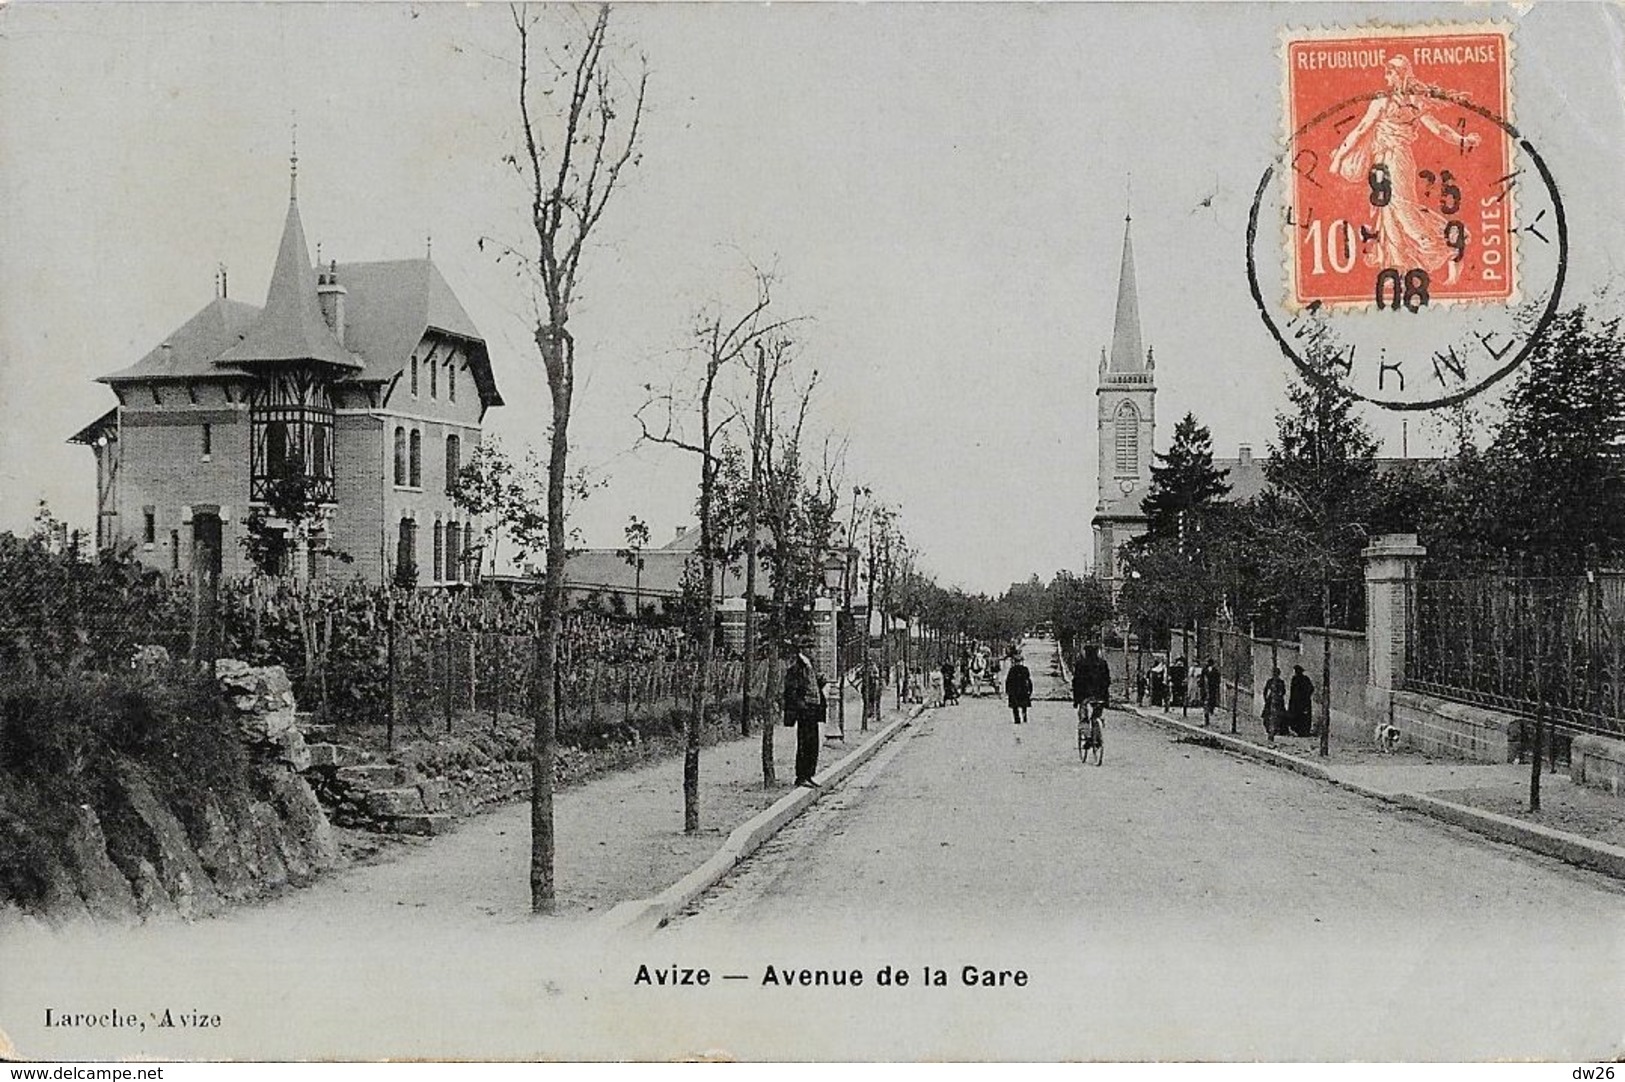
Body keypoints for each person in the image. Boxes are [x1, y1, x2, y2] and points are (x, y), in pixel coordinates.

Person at [1328, 55, 1483, 287]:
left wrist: (1463, 139)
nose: (1386, 77)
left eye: (1390, 73)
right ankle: (1397, 267)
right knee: (1387, 212)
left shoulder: (1404, 103)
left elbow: (1438, 129)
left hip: (1398, 160)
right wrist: (1339, 156)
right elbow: (1361, 130)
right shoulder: (1396, 102)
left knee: (1403, 209)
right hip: (1381, 161)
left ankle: (1443, 245)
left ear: (1400, 75)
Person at [783, 639, 826, 788]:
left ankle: (808, 774)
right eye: (810, 647)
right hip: (805, 710)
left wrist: (820, 683)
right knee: (805, 743)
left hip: (812, 709)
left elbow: (809, 684)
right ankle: (802, 775)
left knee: (812, 743)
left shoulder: (809, 665)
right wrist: (802, 706)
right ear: (803, 649)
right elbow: (792, 690)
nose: (813, 650)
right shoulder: (798, 666)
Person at [1072, 644, 1111, 709]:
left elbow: (1076, 681)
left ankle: (1085, 718)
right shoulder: (1102, 663)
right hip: (1099, 693)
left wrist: (1076, 700)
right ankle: (1096, 716)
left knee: (1083, 706)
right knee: (1098, 706)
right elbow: (1106, 680)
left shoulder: (1081, 663)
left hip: (1084, 693)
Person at [1005, 651, 1033, 725]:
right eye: (1017, 662)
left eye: (1019, 661)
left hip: (1019, 689)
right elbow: (1008, 680)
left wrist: (1030, 689)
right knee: (1017, 705)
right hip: (1019, 689)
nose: (1018, 663)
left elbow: (1028, 680)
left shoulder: (1021, 669)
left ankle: (1022, 717)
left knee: (1021, 705)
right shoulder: (1016, 669)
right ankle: (1018, 718)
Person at [1287, 664, 1314, 738]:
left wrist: (1306, 696)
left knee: (1303, 717)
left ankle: (1303, 731)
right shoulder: (1295, 679)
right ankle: (1299, 731)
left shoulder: (1305, 679)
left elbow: (1311, 688)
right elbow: (1292, 691)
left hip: (1302, 701)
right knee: (1298, 716)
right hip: (1298, 701)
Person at [1262, 666, 1287, 742]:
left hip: (1277, 700)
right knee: (1267, 714)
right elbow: (1265, 691)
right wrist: (1266, 699)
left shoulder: (1280, 682)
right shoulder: (1270, 681)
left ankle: (1277, 729)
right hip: (1272, 699)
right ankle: (1269, 729)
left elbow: (1283, 691)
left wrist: (1279, 696)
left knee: (1280, 715)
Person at [1201, 658, 1222, 727]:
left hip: (1212, 687)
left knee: (1212, 698)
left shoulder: (1215, 671)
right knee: (1205, 699)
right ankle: (1206, 713)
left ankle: (1211, 709)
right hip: (1205, 687)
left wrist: (1216, 685)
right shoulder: (1204, 670)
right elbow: (1202, 677)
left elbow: (1218, 678)